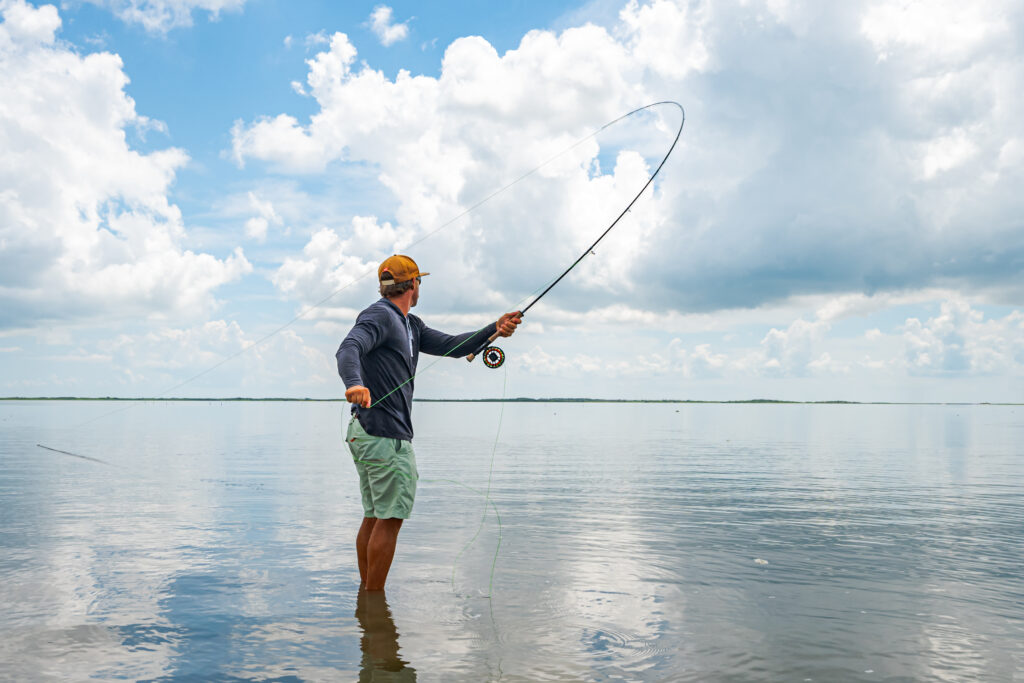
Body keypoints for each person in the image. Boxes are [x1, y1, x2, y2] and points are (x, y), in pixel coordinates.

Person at [336, 254, 521, 591]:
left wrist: (494, 329)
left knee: (375, 515)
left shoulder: (411, 325)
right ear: (413, 284)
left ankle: (367, 599)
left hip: (369, 433)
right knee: (389, 518)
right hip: (383, 435)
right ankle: (374, 599)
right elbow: (349, 347)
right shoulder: (380, 315)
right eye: (419, 281)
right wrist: (354, 383)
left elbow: (454, 346)